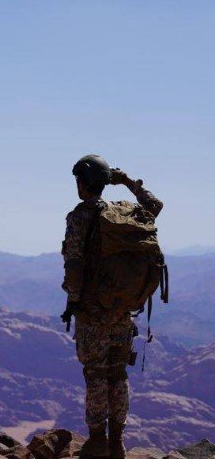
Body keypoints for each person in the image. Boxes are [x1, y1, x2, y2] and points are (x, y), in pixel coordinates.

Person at [62, 155, 163, 458]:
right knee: (118, 374)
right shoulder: (125, 211)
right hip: (122, 311)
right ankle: (117, 442)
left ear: (83, 183)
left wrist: (75, 301)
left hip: (93, 311)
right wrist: (128, 181)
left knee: (95, 374)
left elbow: (74, 265)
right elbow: (155, 205)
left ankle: (97, 441)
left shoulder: (80, 217)